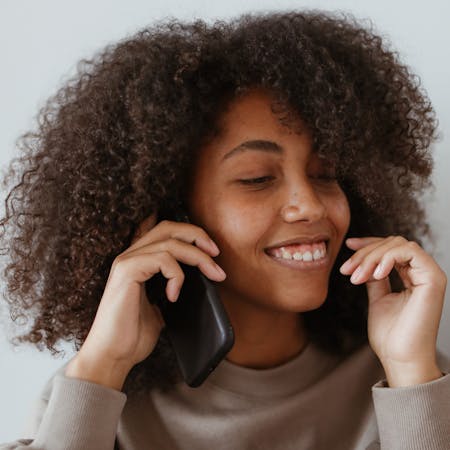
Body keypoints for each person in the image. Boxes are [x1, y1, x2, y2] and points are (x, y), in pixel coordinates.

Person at [0, 9, 448, 450]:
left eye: (325, 173)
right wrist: (103, 364)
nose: (310, 205)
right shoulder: (96, 397)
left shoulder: (410, 379)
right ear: (172, 215)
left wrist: (410, 372)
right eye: (256, 178)